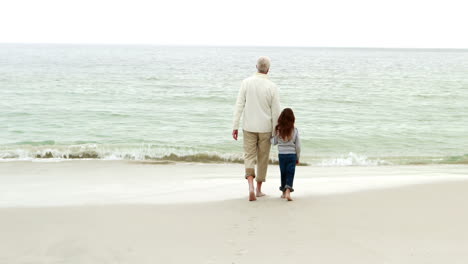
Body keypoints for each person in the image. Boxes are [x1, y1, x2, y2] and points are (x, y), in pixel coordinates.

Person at [232, 56, 281, 201]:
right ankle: (259, 189)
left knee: (249, 156)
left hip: (248, 126)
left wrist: (235, 126)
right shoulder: (272, 87)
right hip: (265, 128)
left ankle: (250, 186)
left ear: (256, 67)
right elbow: (276, 111)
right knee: (262, 158)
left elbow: (239, 105)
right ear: (268, 69)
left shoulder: (246, 83)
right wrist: (275, 130)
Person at [271, 108, 301, 201]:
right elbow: (298, 146)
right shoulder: (295, 130)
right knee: (290, 173)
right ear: (292, 119)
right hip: (292, 155)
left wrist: (269, 137)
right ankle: (288, 191)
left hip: (282, 155)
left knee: (283, 173)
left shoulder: (279, 130)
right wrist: (297, 157)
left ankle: (283, 193)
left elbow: (274, 142)